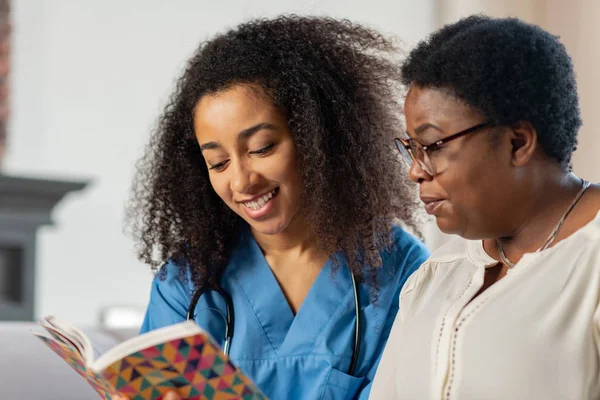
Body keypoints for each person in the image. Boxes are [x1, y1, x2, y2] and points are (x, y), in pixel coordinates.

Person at [123, 15, 429, 400]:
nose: (241, 181)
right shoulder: (187, 283)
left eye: (262, 148)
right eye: (218, 163)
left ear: (316, 136)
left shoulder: (400, 272)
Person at [369, 14, 600, 400]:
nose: (414, 172)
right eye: (411, 148)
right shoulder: (434, 277)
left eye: (433, 146)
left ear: (517, 142)